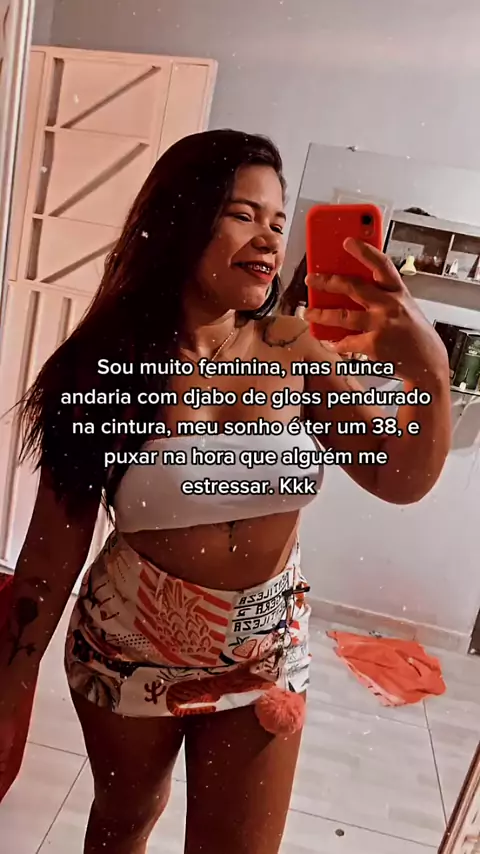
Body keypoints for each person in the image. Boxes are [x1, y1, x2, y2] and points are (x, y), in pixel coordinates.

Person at [0, 129, 451, 854]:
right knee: (124, 821)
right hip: (129, 642)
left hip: (265, 647)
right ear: (181, 220)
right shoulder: (102, 365)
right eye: (243, 214)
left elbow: (399, 479)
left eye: (278, 220)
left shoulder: (295, 350)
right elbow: (51, 556)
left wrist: (428, 369)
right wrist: (11, 692)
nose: (269, 237)